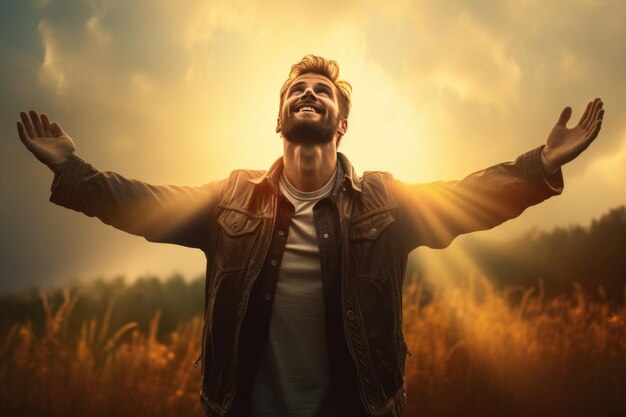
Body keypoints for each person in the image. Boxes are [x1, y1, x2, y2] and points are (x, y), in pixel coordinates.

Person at [16, 55, 604, 417]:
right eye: (298, 89)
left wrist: (540, 166)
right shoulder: (231, 198)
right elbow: (142, 204)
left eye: (323, 91)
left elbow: (470, 198)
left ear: (341, 124)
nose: (309, 94)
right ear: (280, 118)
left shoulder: (383, 199)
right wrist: (73, 170)